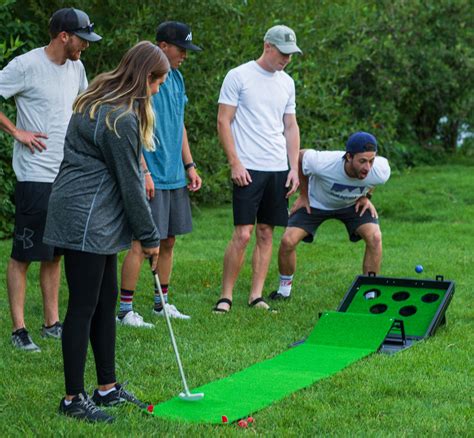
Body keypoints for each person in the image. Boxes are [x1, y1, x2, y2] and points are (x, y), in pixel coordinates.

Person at [43, 41, 168, 422]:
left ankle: (107, 388)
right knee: (83, 305)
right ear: (146, 77)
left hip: (89, 212)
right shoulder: (121, 118)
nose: (159, 90)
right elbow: (131, 184)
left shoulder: (96, 97)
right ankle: (72, 398)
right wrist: (149, 237)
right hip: (86, 216)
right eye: (158, 82)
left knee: (106, 299)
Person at [0, 8, 101, 352]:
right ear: (63, 36)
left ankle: (51, 323)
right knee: (24, 253)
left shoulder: (76, 68)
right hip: (35, 175)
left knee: (54, 254)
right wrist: (17, 132)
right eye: (81, 40)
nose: (84, 47)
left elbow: (83, 108)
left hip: (67, 173)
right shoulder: (26, 65)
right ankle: (19, 330)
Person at [117, 21, 202, 327]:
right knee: (142, 242)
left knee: (168, 242)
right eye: (181, 49)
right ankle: (125, 310)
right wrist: (144, 170)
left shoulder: (176, 79)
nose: (184, 56)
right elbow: (131, 127)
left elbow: (179, 124)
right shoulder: (142, 81)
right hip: (149, 173)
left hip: (174, 173)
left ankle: (160, 304)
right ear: (162, 47)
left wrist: (189, 165)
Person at [213, 25, 302, 313]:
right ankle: (225, 297)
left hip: (277, 167)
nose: (287, 59)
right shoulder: (239, 76)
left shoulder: (287, 83)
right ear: (267, 46)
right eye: (283, 52)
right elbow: (223, 121)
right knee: (243, 234)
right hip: (248, 167)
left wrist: (293, 168)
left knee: (266, 232)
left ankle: (256, 295)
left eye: (291, 54)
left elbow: (291, 126)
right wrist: (234, 162)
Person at [270, 132, 391, 300]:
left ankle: (369, 293)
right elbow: (299, 156)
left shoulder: (380, 170)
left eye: (371, 161)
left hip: (351, 206)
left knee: (375, 237)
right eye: (362, 161)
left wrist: (366, 197)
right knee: (287, 241)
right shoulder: (323, 162)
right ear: (348, 157)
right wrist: (304, 194)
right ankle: (284, 291)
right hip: (315, 204)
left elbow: (374, 180)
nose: (368, 167)